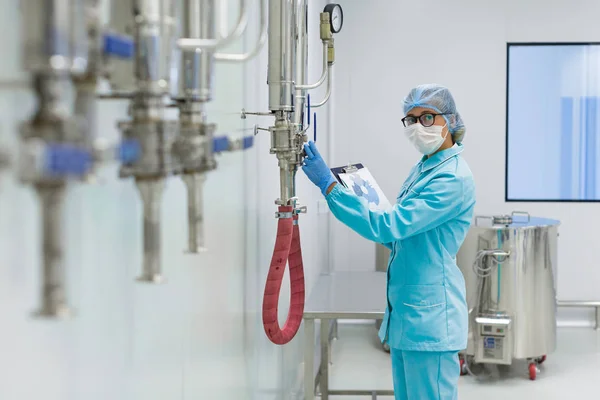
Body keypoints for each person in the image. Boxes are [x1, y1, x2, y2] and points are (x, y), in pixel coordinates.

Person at [301, 84, 476, 400]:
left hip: (431, 320)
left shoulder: (452, 178)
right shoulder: (424, 168)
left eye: (426, 117)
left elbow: (391, 225)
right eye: (410, 120)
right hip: (409, 316)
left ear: (448, 120)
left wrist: (330, 187)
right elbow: (404, 233)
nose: (417, 127)